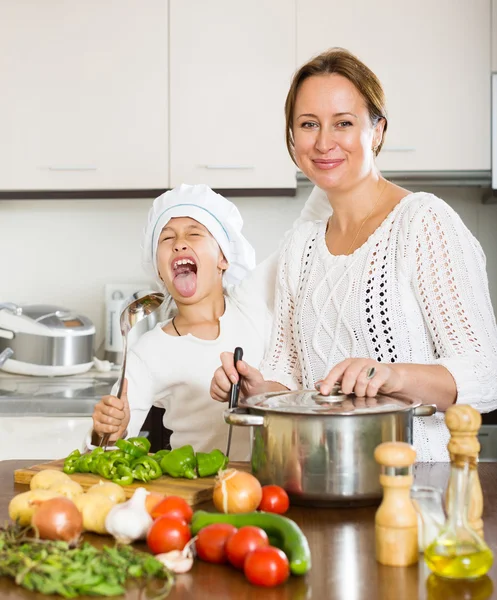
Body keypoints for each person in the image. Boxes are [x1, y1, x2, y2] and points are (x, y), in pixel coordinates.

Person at [210, 48, 497, 462]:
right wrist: (255, 388)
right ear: (292, 137)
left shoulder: (423, 222)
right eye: (309, 124)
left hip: (416, 485)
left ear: (377, 131)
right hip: (320, 478)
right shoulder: (299, 246)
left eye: (343, 123)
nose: (324, 142)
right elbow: (288, 379)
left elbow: (485, 375)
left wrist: (389, 374)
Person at [89, 183, 330, 460]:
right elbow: (106, 448)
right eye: (167, 239)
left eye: (194, 233)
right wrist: (107, 431)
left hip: (277, 480)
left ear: (224, 258)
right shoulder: (148, 351)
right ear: (158, 269)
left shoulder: (252, 301)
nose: (179, 243)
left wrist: (333, 163)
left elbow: (309, 222)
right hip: (196, 488)